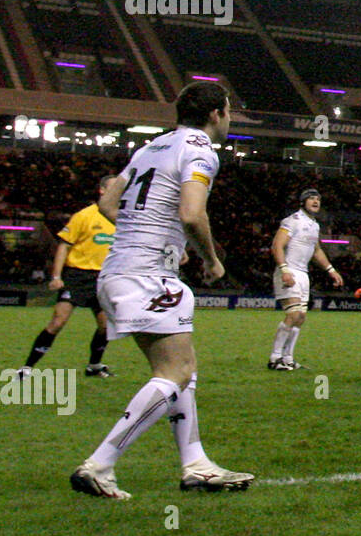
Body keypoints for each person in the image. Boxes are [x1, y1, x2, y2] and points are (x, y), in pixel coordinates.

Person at [70, 81, 253, 499]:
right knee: (176, 372)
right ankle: (100, 464)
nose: (229, 118)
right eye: (228, 110)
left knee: (182, 371)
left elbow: (107, 204)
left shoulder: (150, 147)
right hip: (146, 273)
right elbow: (192, 214)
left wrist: (156, 236)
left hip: (121, 268)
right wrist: (209, 259)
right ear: (215, 115)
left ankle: (196, 465)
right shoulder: (201, 149)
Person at [17, 175, 118, 380]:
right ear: (102, 190)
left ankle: (94, 366)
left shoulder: (121, 217)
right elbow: (64, 245)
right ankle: (27, 368)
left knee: (106, 326)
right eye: (114, 187)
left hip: (105, 277)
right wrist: (57, 276)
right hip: (78, 276)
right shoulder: (85, 215)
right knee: (58, 321)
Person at [267, 189, 343, 371]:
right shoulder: (292, 221)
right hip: (289, 270)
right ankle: (274, 357)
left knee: (300, 317)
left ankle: (287, 358)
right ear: (303, 202)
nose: (316, 201)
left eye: (318, 198)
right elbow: (277, 245)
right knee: (293, 314)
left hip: (303, 274)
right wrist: (284, 270)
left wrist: (331, 270)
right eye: (311, 198)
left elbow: (316, 250)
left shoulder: (314, 225)